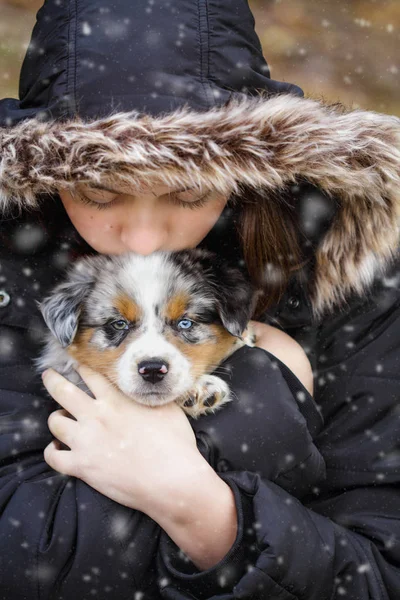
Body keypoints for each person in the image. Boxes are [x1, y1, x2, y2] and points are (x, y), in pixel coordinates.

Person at [0, 1, 399, 598]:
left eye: (186, 195)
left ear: (246, 169)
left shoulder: (349, 273)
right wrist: (262, 396)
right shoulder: (14, 255)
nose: (141, 238)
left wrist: (204, 510)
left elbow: (378, 574)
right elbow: (19, 554)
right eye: (101, 194)